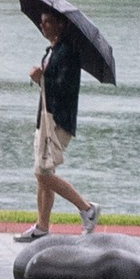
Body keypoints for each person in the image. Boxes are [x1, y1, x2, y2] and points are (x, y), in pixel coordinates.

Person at [19, 13, 101, 242]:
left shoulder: (68, 53)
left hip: (58, 121)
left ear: (61, 24)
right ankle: (42, 227)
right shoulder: (52, 51)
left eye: (47, 21)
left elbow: (64, 88)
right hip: (44, 118)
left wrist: (40, 79)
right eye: (41, 20)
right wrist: (42, 78)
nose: (42, 25)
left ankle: (87, 209)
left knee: (42, 172)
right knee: (44, 174)